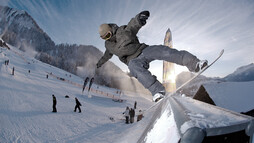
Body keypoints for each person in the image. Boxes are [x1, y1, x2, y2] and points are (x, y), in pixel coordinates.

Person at [96, 11, 208, 102]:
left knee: (163, 51)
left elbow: (132, 26)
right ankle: (158, 91)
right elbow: (106, 55)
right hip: (132, 60)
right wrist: (99, 63)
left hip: (143, 50)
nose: (108, 38)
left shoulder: (122, 31)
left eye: (108, 35)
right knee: (135, 69)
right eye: (104, 38)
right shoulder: (108, 45)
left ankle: (195, 64)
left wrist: (139, 19)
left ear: (111, 29)